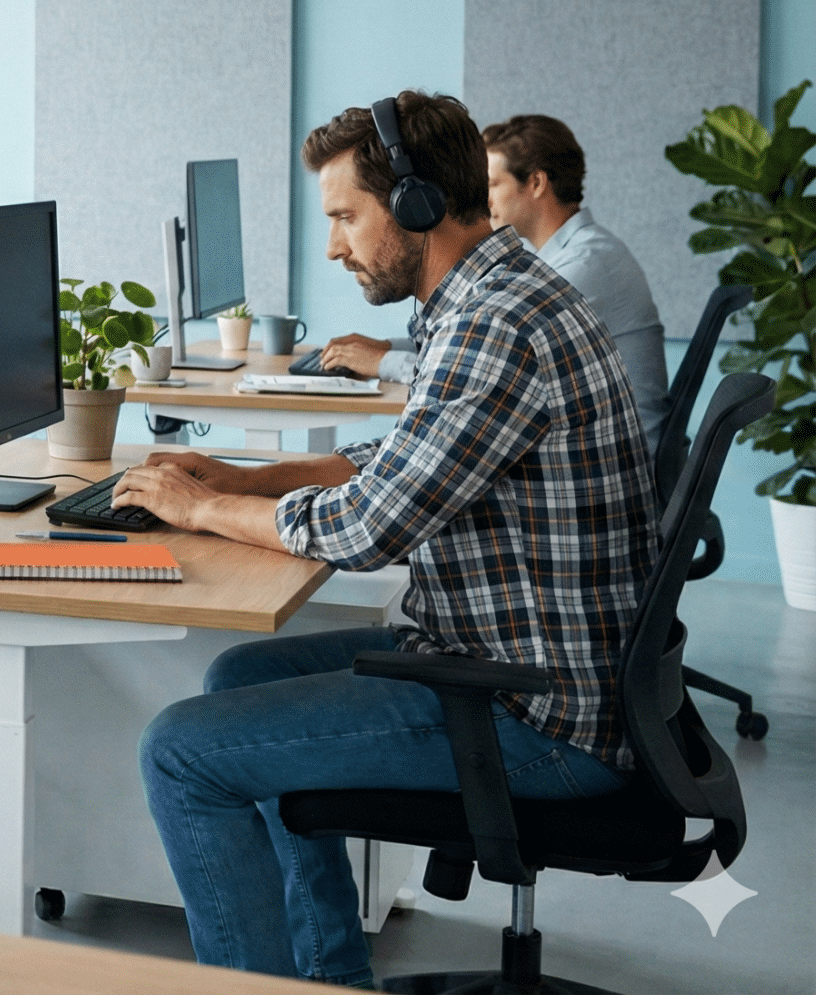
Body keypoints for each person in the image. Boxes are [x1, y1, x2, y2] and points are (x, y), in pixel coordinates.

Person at [115, 93, 656, 985]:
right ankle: (328, 973)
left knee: (179, 750)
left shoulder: (494, 324)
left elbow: (367, 529)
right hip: (527, 661)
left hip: (536, 712)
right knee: (239, 673)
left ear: (416, 205)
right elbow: (403, 458)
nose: (334, 246)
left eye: (343, 217)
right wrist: (249, 478)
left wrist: (200, 510)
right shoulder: (489, 292)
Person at [315, 113, 669, 447]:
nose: (481, 197)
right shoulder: (550, 262)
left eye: (493, 184)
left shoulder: (582, 267)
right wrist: (387, 348)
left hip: (618, 462)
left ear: (535, 183)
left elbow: (481, 359)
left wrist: (382, 362)